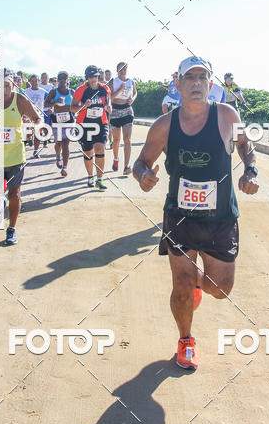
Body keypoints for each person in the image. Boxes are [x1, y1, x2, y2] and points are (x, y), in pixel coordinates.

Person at [133, 56, 259, 370]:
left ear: (211, 85)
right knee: (181, 284)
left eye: (203, 78)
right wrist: (143, 175)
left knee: (221, 289)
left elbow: (245, 144)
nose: (197, 83)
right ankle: (185, 341)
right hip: (180, 218)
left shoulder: (226, 115)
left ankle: (200, 284)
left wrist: (250, 170)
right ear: (178, 84)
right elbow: (141, 162)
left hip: (220, 219)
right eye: (190, 78)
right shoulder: (164, 125)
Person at [2, 74, 43, 245]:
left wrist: (34, 125)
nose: (3, 89)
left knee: (14, 194)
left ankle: (11, 229)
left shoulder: (19, 100)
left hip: (15, 156)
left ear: (12, 86)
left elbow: (37, 118)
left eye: (6, 85)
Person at [71, 66, 110, 190]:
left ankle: (100, 179)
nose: (93, 79)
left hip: (101, 123)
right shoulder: (81, 90)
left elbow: (108, 102)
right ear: (87, 78)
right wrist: (83, 106)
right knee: (88, 152)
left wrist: (109, 107)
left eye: (95, 76)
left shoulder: (105, 89)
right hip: (85, 124)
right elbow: (72, 108)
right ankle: (90, 176)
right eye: (90, 77)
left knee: (100, 148)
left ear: (98, 76)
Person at [44, 72, 74, 175]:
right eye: (60, 78)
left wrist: (74, 109)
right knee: (59, 143)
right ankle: (58, 157)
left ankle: (65, 167)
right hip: (57, 120)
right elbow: (46, 103)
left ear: (67, 79)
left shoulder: (71, 92)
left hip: (69, 120)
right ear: (57, 80)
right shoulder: (53, 92)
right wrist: (55, 103)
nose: (62, 80)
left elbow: (78, 103)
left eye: (64, 78)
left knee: (66, 143)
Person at [109, 62, 137, 174]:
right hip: (115, 111)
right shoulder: (113, 81)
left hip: (127, 111)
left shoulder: (131, 81)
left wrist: (132, 99)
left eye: (125, 69)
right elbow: (110, 97)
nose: (123, 71)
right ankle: (116, 159)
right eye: (121, 69)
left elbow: (135, 93)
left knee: (127, 140)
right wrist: (120, 90)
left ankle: (127, 166)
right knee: (116, 140)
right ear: (117, 70)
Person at [23, 75, 47, 158]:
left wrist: (49, 109)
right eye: (32, 81)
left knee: (38, 133)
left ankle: (36, 151)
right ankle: (29, 138)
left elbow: (48, 101)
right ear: (30, 82)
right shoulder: (25, 92)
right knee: (29, 132)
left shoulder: (43, 92)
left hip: (39, 115)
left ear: (38, 81)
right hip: (28, 115)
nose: (34, 83)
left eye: (36, 81)